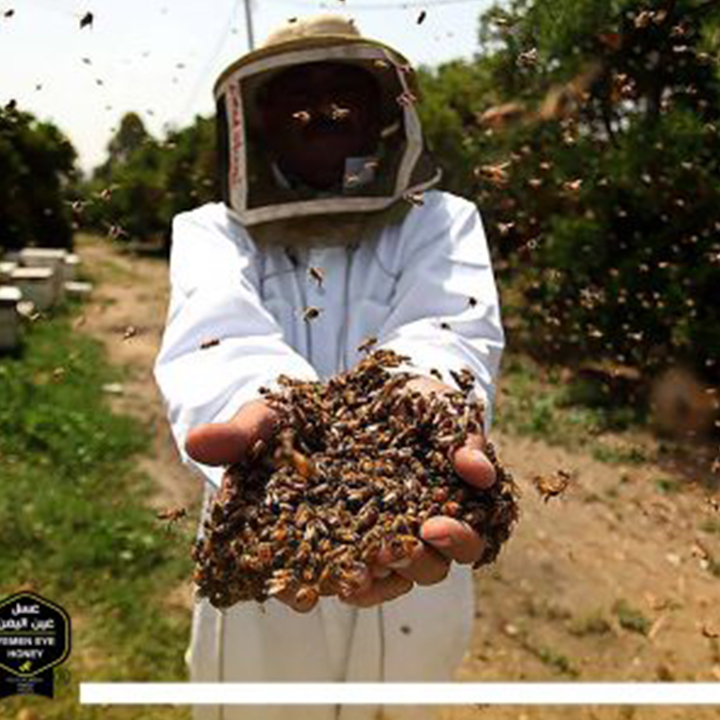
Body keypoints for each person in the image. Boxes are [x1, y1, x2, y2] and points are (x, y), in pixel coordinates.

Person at [154, 14, 505, 720]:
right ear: (263, 116)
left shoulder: (441, 220)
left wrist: (422, 410)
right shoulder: (208, 232)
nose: (320, 107)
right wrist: (274, 434)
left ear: (379, 112)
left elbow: (446, 334)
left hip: (415, 535)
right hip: (264, 530)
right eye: (296, 91)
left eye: (341, 87)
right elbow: (216, 341)